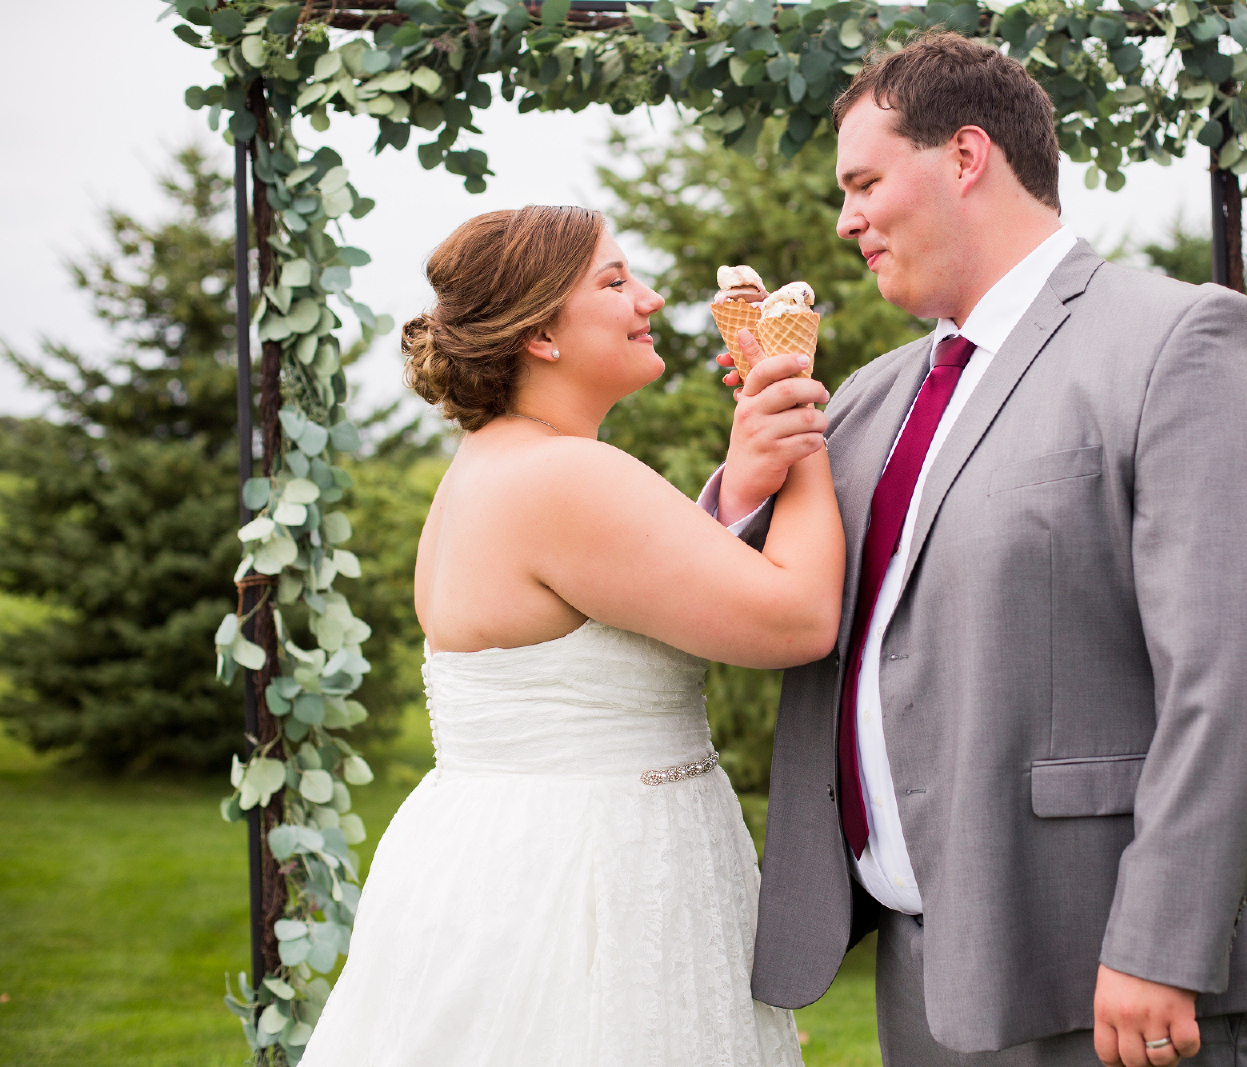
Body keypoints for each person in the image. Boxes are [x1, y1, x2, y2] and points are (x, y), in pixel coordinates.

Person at [706, 33, 1247, 1067]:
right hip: (931, 969)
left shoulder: (1183, 341)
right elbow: (761, 593)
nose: (844, 220)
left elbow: (1236, 678)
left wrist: (1159, 943)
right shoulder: (869, 393)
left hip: (1109, 968)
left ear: (963, 157)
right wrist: (740, 483)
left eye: (863, 183)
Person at [299, 205, 841, 1066]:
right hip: (591, 880)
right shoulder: (566, 475)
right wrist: (801, 422)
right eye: (615, 282)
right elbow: (800, 618)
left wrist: (745, 479)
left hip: (497, 854)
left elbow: (637, 587)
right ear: (542, 333)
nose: (652, 300)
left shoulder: (490, 465)